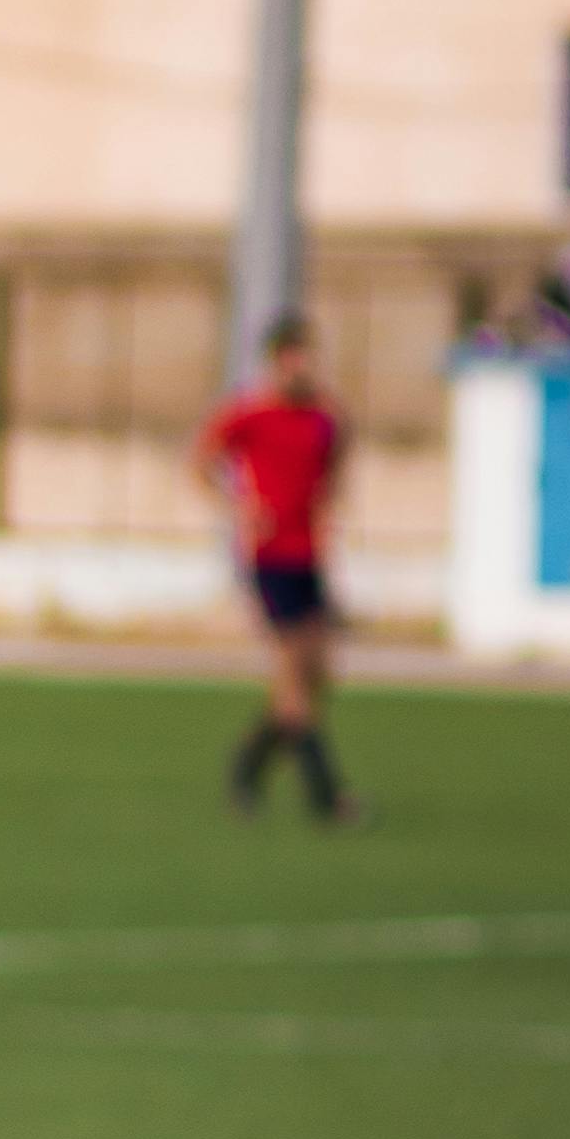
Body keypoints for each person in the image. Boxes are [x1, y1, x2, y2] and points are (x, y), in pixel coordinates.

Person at [197, 309, 361, 824]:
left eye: (306, 356)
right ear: (275, 363)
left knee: (316, 677)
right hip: (269, 560)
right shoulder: (250, 413)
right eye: (291, 357)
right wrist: (240, 508)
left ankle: (247, 767)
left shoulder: (324, 417)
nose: (300, 366)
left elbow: (338, 459)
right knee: (293, 678)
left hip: (310, 557)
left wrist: (330, 498)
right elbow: (202, 461)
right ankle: (328, 799)